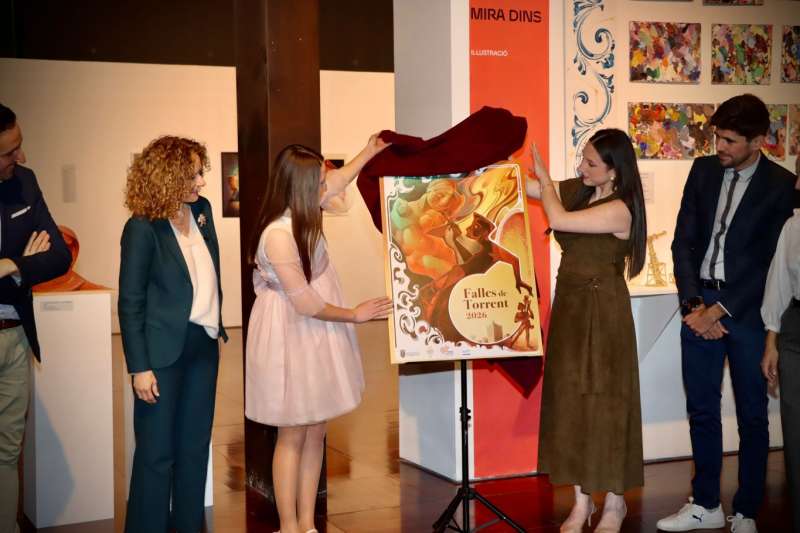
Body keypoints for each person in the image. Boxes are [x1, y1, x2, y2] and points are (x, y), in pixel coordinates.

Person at [660, 94, 796, 533]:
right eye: (717, 136)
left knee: (753, 415)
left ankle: (747, 510)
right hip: (698, 304)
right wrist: (694, 305)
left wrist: (720, 310)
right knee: (701, 409)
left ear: (758, 141)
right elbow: (683, 242)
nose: (720, 146)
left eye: (730, 140)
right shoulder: (702, 170)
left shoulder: (781, 184)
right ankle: (705, 504)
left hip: (747, 313)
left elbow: (769, 262)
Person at [245, 137, 392, 533]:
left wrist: (369, 151)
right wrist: (355, 315)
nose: (327, 188)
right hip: (292, 331)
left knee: (315, 429)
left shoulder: (305, 208)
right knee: (293, 431)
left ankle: (308, 524)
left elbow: (341, 179)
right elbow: (306, 304)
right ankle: (289, 526)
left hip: (315, 330)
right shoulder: (278, 234)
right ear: (301, 186)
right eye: (320, 183)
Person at [527, 128, 647, 533]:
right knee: (571, 403)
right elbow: (528, 189)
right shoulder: (580, 190)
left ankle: (614, 502)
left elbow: (557, 217)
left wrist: (546, 179)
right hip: (571, 309)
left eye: (591, 163)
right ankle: (581, 503)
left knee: (607, 404)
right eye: (583, 158)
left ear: (615, 171)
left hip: (604, 311)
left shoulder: (620, 209)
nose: (581, 167)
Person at [119, 135, 227, 533]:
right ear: (167, 176)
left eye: (200, 173)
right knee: (156, 453)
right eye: (193, 174)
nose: (201, 182)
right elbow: (130, 302)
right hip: (160, 353)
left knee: (194, 449)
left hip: (203, 347)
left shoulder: (202, 210)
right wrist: (139, 367)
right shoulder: (141, 228)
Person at [0, 103, 71, 533]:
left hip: (15, 336)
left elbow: (59, 255)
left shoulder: (25, 182)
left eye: (19, 146)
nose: (21, 157)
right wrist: (23, 262)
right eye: (9, 152)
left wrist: (13, 265)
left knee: (8, 451)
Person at [760, 156, 800, 533]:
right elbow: (779, 286)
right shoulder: (793, 226)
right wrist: (771, 342)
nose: (798, 184)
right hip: (795, 332)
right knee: (795, 435)